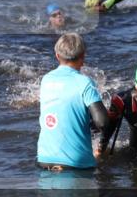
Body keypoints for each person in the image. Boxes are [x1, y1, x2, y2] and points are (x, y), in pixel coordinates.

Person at [37, 33, 109, 170]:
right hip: (76, 163)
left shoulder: (46, 79)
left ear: (57, 56)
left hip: (44, 159)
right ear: (83, 57)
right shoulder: (85, 83)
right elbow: (103, 122)